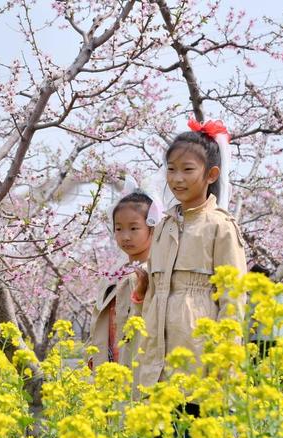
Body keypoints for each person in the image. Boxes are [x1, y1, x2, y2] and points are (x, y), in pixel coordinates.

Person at [132, 119, 248, 406]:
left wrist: (225, 363)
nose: (177, 179)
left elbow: (233, 299)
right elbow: (153, 294)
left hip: (199, 360)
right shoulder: (163, 226)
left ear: (211, 175)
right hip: (155, 364)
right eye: (171, 169)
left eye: (187, 170)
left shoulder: (220, 226)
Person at [89, 190, 159, 368]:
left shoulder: (156, 272)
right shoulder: (113, 275)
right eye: (119, 228)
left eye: (134, 228)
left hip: (139, 365)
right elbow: (99, 320)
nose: (125, 236)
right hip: (110, 366)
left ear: (153, 227)